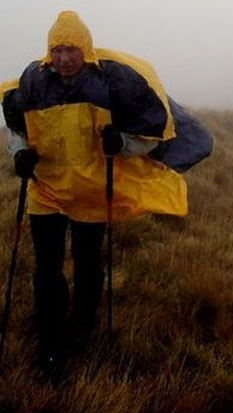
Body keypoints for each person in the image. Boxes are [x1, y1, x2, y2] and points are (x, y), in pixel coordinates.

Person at [1, 10, 212, 378]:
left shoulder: (111, 83)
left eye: (72, 49)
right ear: (50, 51)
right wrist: (18, 153)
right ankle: (50, 341)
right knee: (47, 269)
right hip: (46, 191)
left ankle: (83, 326)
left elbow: (149, 137)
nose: (65, 57)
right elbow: (15, 126)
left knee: (87, 265)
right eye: (58, 49)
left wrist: (122, 143)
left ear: (86, 49)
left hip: (93, 194)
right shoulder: (34, 82)